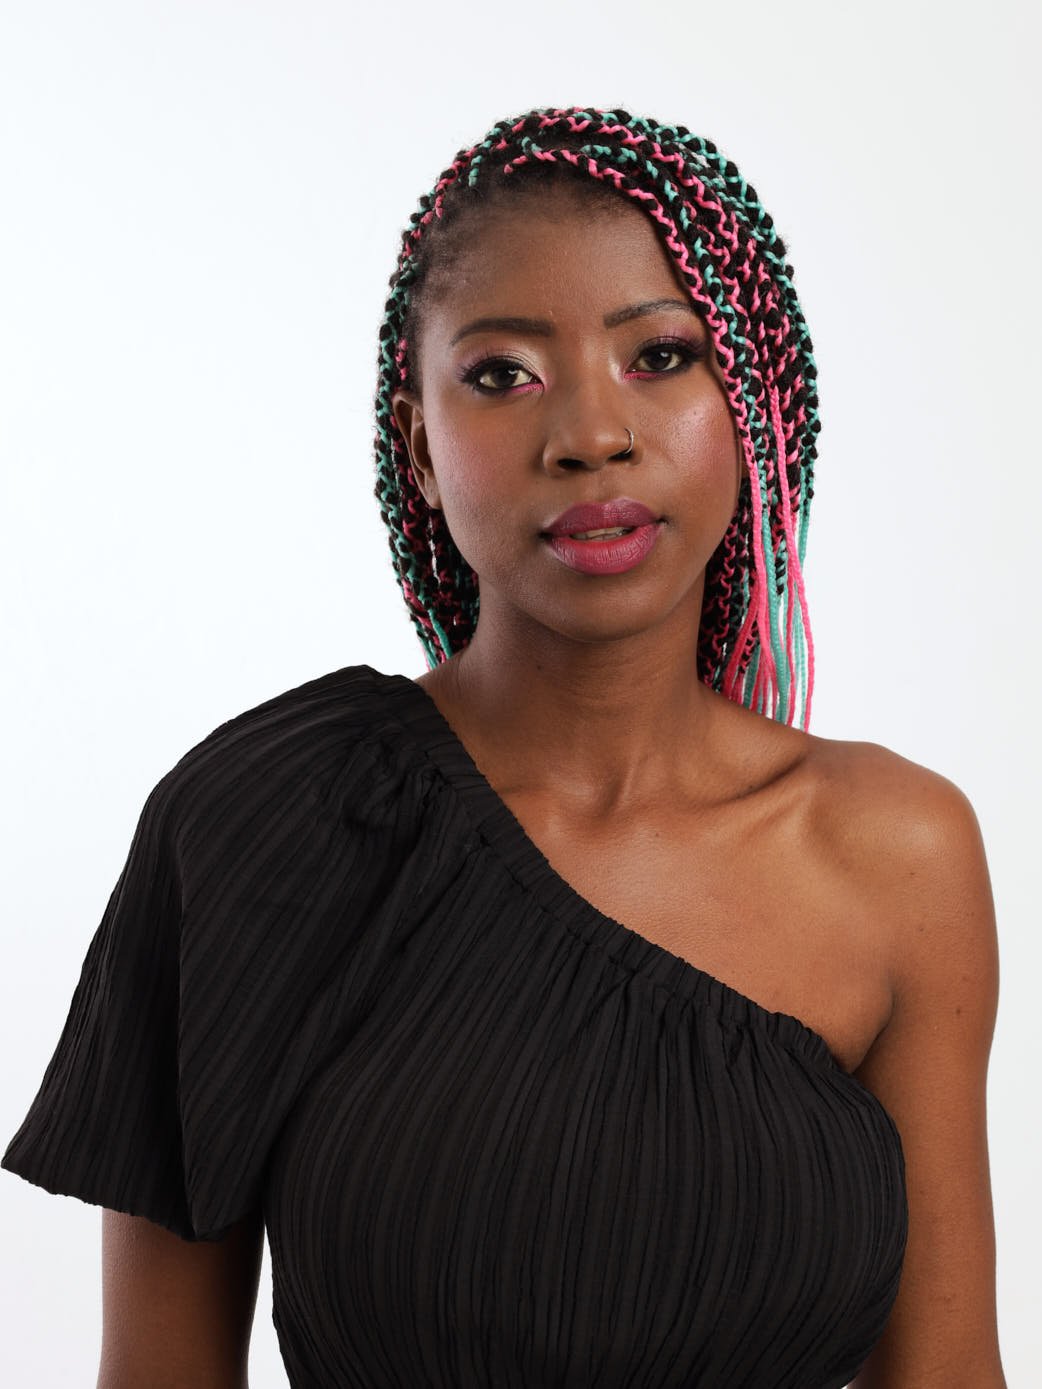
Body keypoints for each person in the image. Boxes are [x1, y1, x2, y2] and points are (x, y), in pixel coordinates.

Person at [2, 107, 1005, 1389]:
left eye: (660, 355)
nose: (591, 433)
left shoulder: (895, 852)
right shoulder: (263, 820)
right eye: (500, 374)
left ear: (750, 403)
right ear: (419, 447)